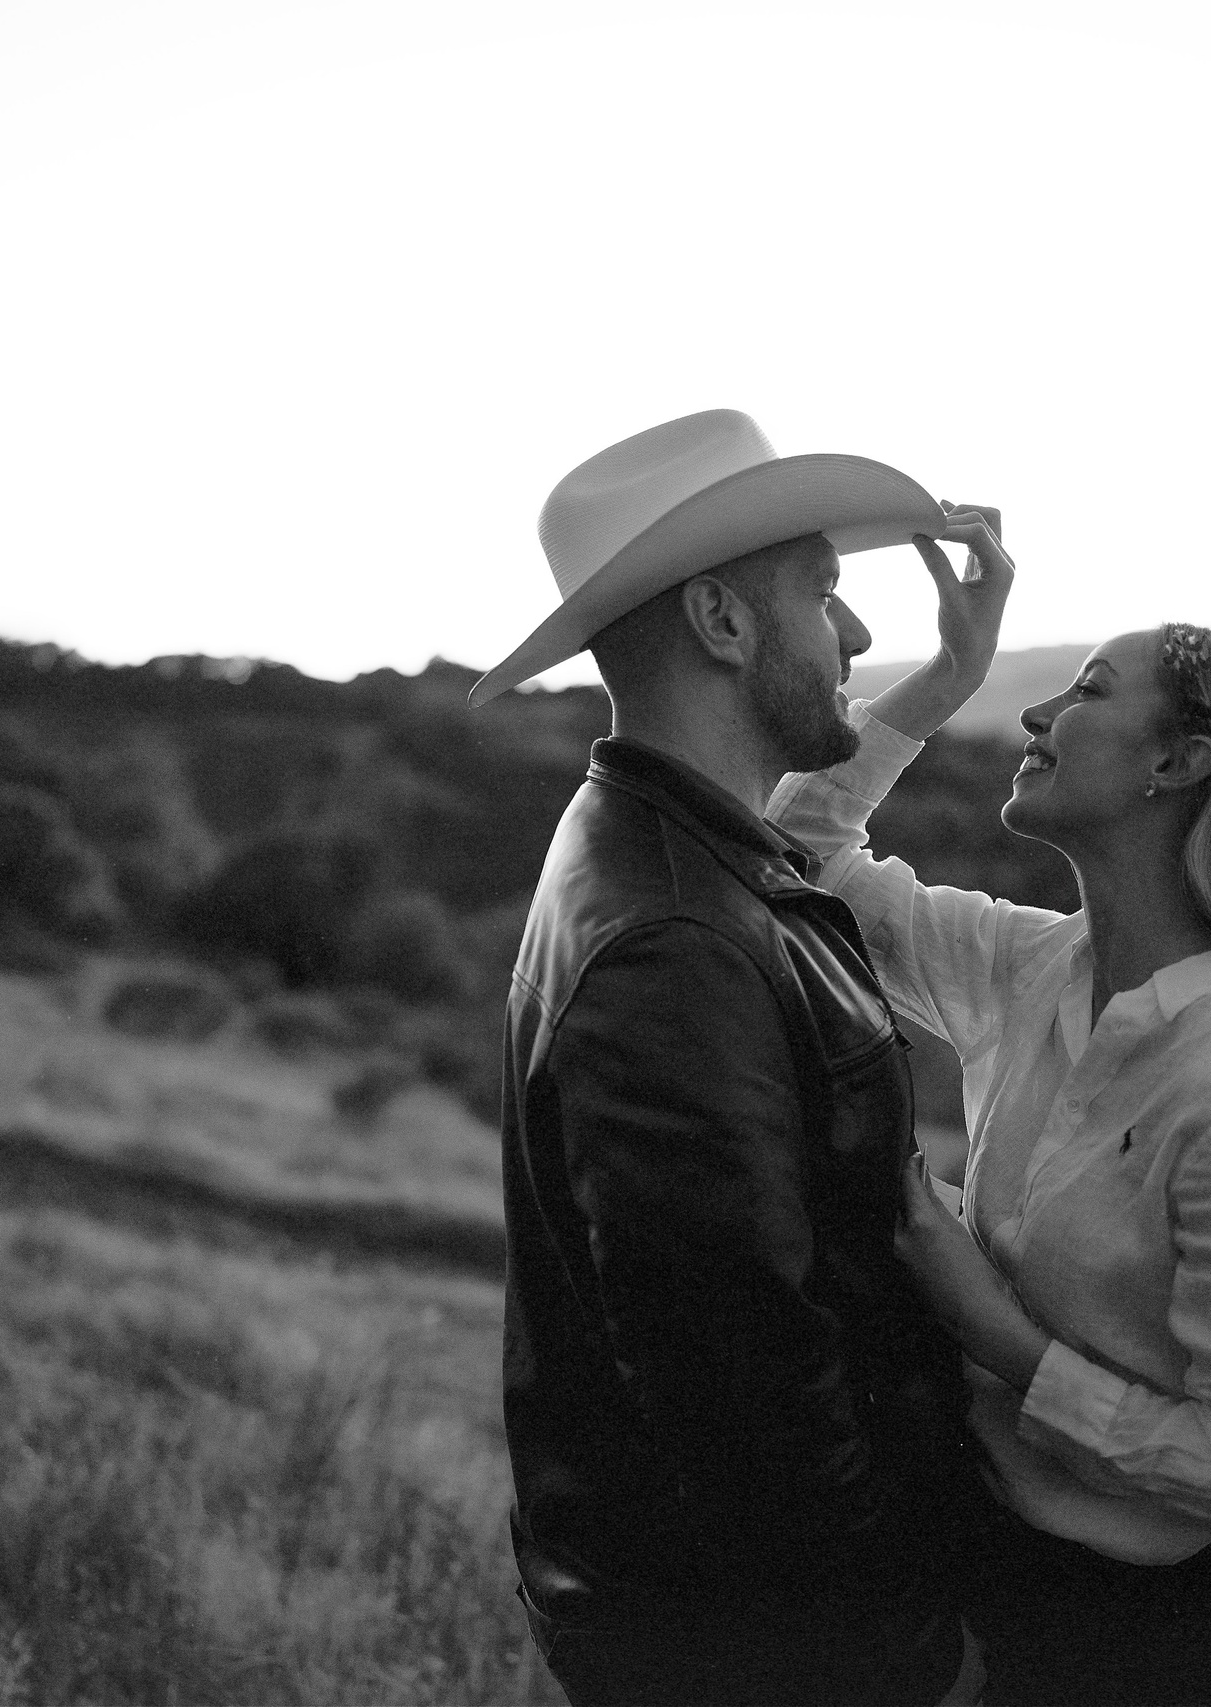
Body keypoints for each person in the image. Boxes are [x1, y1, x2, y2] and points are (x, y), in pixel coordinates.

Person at [768, 520, 1211, 1706]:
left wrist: (994, 1330)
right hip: (973, 1578)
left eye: (1085, 691)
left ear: (1177, 761)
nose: (1036, 714)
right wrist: (945, 675)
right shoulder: (1036, 971)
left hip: (1136, 1652)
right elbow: (795, 856)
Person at [472, 409, 998, 1706]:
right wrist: (909, 1664)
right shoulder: (676, 939)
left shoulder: (665, 846)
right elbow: (748, 1394)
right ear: (720, 621)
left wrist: (942, 684)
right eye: (822, 592)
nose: (856, 635)